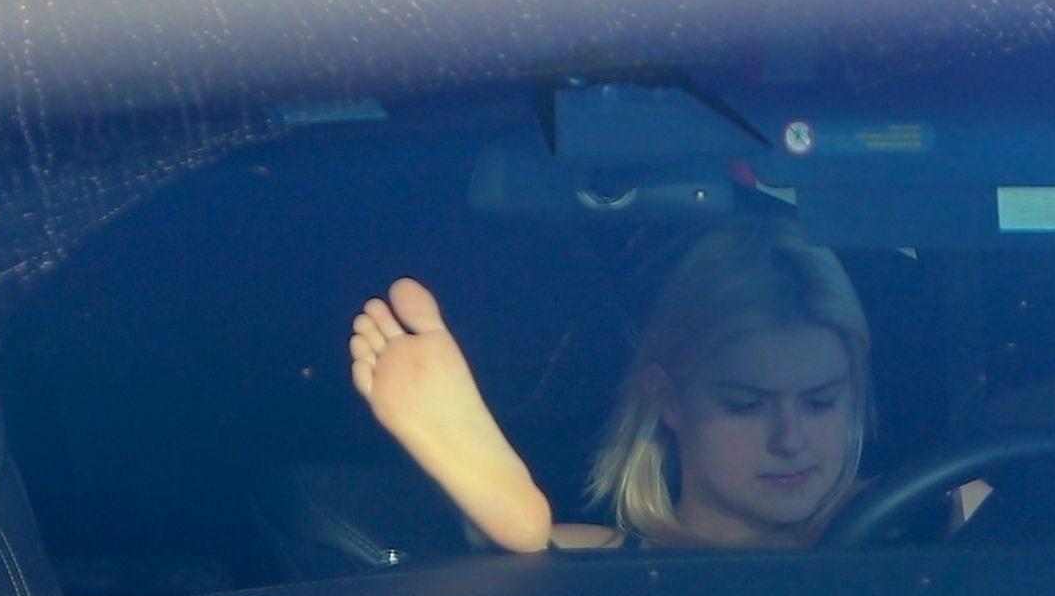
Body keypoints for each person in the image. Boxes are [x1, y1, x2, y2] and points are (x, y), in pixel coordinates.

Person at [349, 217, 873, 552]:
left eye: (820, 402)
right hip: (634, 584)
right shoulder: (612, 557)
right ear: (668, 400)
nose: (790, 439)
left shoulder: (902, 523)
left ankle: (513, 545)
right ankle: (504, 536)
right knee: (544, 560)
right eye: (746, 406)